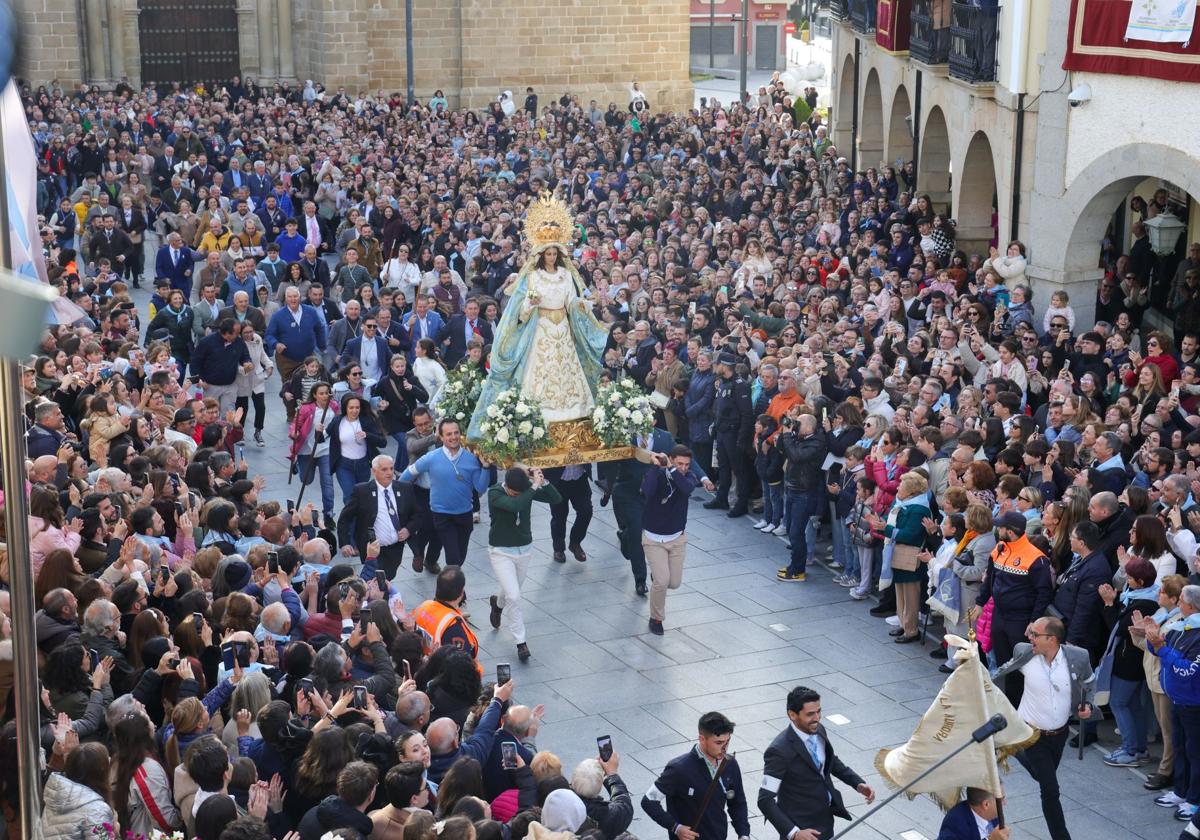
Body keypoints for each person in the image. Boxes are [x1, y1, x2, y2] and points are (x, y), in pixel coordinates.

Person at [468, 195, 608, 435]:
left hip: (562, 328)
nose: (552, 257)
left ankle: (574, 415)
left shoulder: (565, 275)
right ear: (541, 255)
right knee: (540, 371)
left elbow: (571, 302)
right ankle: (537, 417)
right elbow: (520, 313)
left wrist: (583, 304)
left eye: (555, 254)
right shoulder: (533, 277)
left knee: (566, 370)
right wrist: (530, 305)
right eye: (548, 254)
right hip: (541, 328)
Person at [992, 617, 1094, 840]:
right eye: (1030, 633)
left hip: (1059, 734)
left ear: (1052, 639)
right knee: (1050, 790)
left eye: (1035, 634)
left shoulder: (1078, 657)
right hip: (1031, 733)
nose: (1029, 637)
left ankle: (1015, 750)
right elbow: (999, 674)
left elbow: (1088, 684)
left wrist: (1088, 707)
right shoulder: (1024, 652)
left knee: (1042, 776)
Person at [757, 685, 874, 840]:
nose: (817, 718)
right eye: (810, 714)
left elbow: (830, 761)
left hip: (824, 821)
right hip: (801, 828)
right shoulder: (779, 751)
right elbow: (765, 800)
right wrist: (794, 833)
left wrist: (857, 784)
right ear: (792, 714)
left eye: (819, 711)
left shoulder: (818, 730)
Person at [968, 511, 1054, 702]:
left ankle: (1021, 707)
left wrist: (1034, 621)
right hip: (999, 616)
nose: (997, 530)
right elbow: (990, 579)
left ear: (1012, 531)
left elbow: (1043, 593)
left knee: (1021, 666)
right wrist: (981, 603)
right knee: (1003, 662)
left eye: (1001, 527)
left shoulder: (1036, 558)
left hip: (1020, 620)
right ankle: (1007, 703)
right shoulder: (998, 549)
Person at [486, 467, 561, 662]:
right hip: (500, 551)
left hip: (524, 550)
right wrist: (533, 487)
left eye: (519, 492)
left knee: (511, 592)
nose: (515, 495)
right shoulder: (495, 492)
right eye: (513, 492)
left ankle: (497, 604)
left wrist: (542, 481)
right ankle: (521, 642)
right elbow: (515, 505)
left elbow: (556, 499)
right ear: (507, 486)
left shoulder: (527, 490)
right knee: (515, 596)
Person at [641, 711, 751, 840]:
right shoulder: (679, 768)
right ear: (702, 739)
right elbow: (648, 801)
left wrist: (743, 834)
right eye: (719, 743)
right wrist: (676, 827)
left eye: (727, 742)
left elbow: (737, 802)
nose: (725, 749)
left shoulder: (730, 764)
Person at [399, 418, 491, 567]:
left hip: (465, 515)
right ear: (441, 437)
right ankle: (454, 588)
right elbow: (405, 476)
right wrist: (404, 498)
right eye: (448, 434)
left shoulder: (471, 459)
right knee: (453, 558)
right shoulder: (431, 458)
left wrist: (486, 467)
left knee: (460, 558)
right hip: (442, 515)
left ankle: (451, 581)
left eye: (456, 433)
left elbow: (480, 489)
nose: (453, 437)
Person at [643, 445, 704, 636]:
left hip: (677, 538)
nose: (684, 467)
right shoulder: (657, 474)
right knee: (662, 581)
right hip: (654, 539)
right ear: (671, 458)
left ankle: (658, 578)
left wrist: (673, 469)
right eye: (679, 463)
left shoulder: (688, 476)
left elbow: (686, 489)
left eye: (686, 464)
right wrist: (656, 467)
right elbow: (648, 491)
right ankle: (656, 618)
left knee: (674, 582)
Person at [337, 454, 416, 581]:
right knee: (377, 582)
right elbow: (345, 518)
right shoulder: (362, 491)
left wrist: (408, 529)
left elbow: (417, 514)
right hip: (372, 549)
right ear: (374, 471)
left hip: (395, 548)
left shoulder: (405, 488)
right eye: (384, 469)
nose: (389, 473)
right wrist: (345, 543)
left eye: (391, 468)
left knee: (388, 577)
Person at [778, 414, 829, 582]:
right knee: (792, 529)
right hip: (794, 489)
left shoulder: (816, 442)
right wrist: (787, 432)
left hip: (805, 493)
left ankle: (798, 570)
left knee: (796, 532)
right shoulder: (800, 438)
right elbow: (782, 448)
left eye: (798, 423)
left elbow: (796, 456)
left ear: (809, 427)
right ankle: (795, 565)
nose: (796, 425)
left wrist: (787, 436)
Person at [413, 566, 479, 665]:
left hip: (425, 667)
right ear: (462, 593)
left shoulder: (423, 607)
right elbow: (461, 665)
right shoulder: (453, 626)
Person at [545, 464, 593, 564]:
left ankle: (575, 543)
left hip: (580, 478)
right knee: (559, 515)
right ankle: (559, 548)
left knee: (586, 510)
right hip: (558, 479)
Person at [936, 787, 1009, 840]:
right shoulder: (955, 825)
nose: (1005, 803)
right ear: (986, 804)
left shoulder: (994, 815)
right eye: (1002, 799)